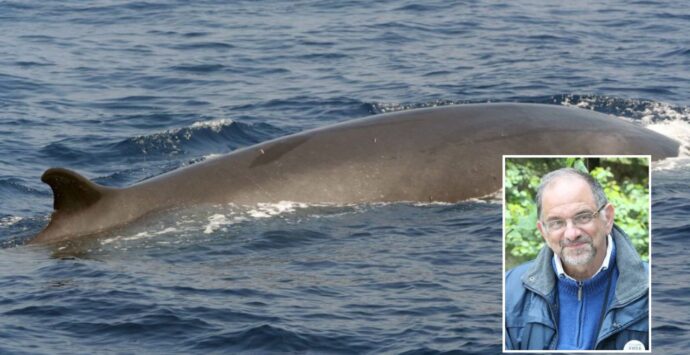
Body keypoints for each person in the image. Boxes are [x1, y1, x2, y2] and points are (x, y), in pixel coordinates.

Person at [505, 168, 649, 351]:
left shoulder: (650, 291)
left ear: (608, 218)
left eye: (583, 217)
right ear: (543, 232)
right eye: (557, 222)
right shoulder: (508, 292)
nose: (572, 234)